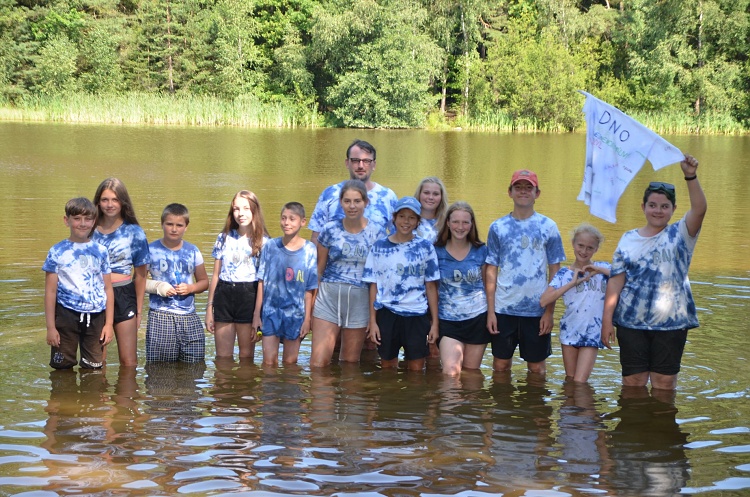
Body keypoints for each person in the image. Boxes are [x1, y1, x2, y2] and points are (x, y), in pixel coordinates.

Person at [602, 154, 706, 391]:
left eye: (664, 206)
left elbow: (700, 209)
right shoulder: (628, 239)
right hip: (631, 322)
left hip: (671, 324)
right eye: (652, 205)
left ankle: (660, 415)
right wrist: (607, 321)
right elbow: (616, 282)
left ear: (673, 209)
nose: (658, 211)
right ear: (643, 207)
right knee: (633, 383)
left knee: (664, 384)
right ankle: (637, 417)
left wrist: (690, 176)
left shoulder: (682, 234)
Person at [485, 169, 566, 374]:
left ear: (537, 193)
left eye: (528, 188)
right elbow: (491, 269)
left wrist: (549, 312)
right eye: (518, 187)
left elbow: (555, 272)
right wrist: (491, 312)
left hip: (537, 309)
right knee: (501, 366)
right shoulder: (498, 227)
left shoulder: (548, 227)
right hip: (504, 309)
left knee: (537, 368)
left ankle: (535, 398)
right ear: (510, 192)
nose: (523, 191)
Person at [310, 180, 385, 367]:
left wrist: (374, 316)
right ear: (341, 203)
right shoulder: (329, 229)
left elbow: (378, 277)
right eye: (347, 201)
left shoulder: (377, 233)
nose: (352, 206)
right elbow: (319, 269)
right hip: (328, 297)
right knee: (318, 364)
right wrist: (310, 306)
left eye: (357, 201)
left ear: (366, 202)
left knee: (350, 363)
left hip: (360, 300)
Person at [363, 197, 440, 371]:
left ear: (418, 221)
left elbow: (431, 286)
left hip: (417, 314)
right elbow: (373, 285)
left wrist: (434, 323)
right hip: (387, 313)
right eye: (402, 216)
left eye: (412, 218)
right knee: (387, 366)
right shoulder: (379, 247)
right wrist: (373, 321)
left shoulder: (425, 247)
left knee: (417, 368)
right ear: (394, 218)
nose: (406, 222)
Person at [43, 197, 114, 370]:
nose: (82, 224)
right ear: (66, 220)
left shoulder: (101, 251)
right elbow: (50, 292)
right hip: (66, 315)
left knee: (94, 367)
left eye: (87, 219)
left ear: (94, 221)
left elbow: (108, 289)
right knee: (62, 367)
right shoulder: (57, 251)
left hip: (96, 316)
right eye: (77, 219)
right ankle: (63, 388)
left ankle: (92, 388)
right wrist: (51, 327)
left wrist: (108, 324)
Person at [540, 224, 610, 382]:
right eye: (580, 246)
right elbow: (544, 301)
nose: (584, 251)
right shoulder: (564, 274)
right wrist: (572, 283)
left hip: (592, 333)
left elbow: (625, 277)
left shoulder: (603, 269)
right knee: (570, 380)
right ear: (573, 244)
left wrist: (597, 269)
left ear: (596, 249)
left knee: (580, 382)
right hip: (569, 330)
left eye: (590, 248)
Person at [205, 191, 269, 361]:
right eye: (236, 209)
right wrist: (209, 308)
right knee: (222, 358)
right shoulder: (223, 237)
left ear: (254, 210)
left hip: (249, 296)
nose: (241, 213)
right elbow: (216, 275)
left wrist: (257, 315)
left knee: (246, 358)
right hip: (224, 295)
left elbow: (262, 281)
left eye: (246, 208)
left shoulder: (264, 241)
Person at [92, 178, 149, 367]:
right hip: (96, 295)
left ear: (123, 202)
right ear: (98, 202)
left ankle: (128, 388)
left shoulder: (134, 232)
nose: (109, 205)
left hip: (123, 294)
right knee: (96, 360)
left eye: (115, 200)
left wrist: (138, 311)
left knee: (129, 361)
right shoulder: (89, 229)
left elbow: (141, 275)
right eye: (105, 200)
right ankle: (98, 386)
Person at [254, 202, 318, 366]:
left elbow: (310, 288)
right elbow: (261, 281)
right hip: (270, 311)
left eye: (292, 219)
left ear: (302, 222)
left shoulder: (309, 250)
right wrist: (256, 315)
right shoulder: (270, 246)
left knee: (290, 363)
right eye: (283, 218)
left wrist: (307, 319)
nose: (286, 223)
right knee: (269, 363)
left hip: (295, 314)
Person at [145, 203, 209, 363]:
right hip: (160, 315)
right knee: (161, 369)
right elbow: (137, 282)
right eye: (169, 224)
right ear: (162, 224)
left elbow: (204, 282)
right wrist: (158, 287)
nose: (174, 229)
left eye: (179, 225)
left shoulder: (193, 251)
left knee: (195, 366)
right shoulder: (150, 250)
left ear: (186, 227)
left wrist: (191, 288)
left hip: (189, 315)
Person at [434, 202, 490, 376]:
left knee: (472, 374)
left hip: (477, 317)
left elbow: (488, 285)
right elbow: (431, 288)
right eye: (455, 222)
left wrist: (492, 315)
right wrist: (433, 322)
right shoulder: (436, 251)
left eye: (465, 222)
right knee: (451, 372)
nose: (460, 227)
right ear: (448, 223)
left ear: (471, 224)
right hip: (448, 320)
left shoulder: (481, 250)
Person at [308, 139, 397, 245]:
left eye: (366, 161)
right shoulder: (329, 194)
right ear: (347, 163)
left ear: (374, 165)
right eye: (355, 160)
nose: (361, 166)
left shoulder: (387, 197)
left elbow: (397, 236)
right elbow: (316, 237)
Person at [414, 176, 448, 243]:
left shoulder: (447, 224)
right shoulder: (408, 221)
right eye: (426, 193)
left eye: (435, 194)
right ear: (419, 194)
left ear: (441, 197)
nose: (430, 197)